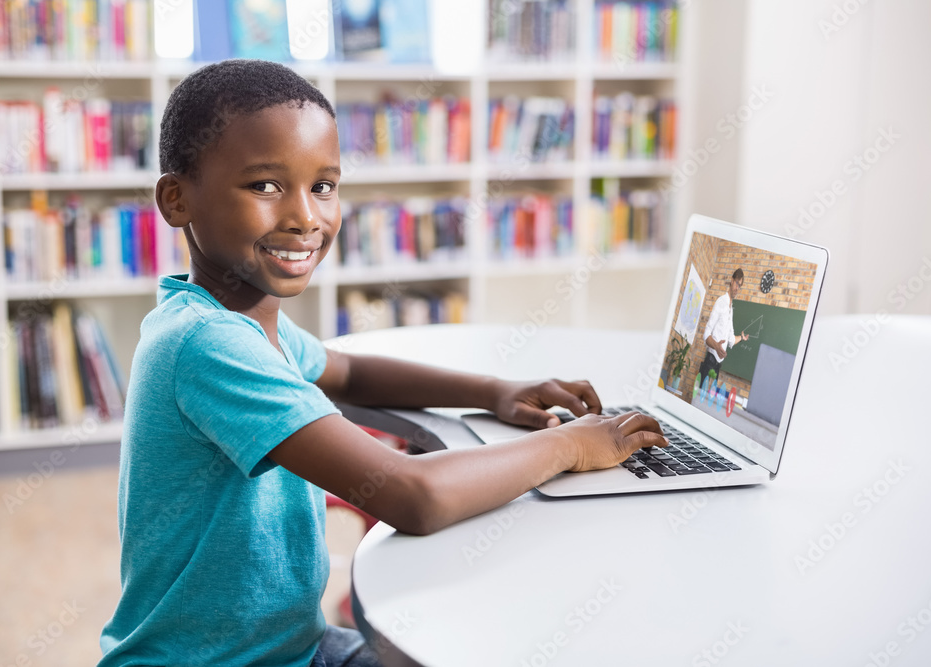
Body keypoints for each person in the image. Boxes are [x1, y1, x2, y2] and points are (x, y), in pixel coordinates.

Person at [98, 59, 668, 667]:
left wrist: (496, 389)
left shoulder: (245, 321)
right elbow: (409, 496)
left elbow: (349, 371)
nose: (305, 217)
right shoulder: (207, 344)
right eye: (265, 186)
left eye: (322, 186)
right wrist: (569, 447)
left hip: (290, 646)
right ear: (177, 199)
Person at [697, 268, 750, 385]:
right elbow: (706, 333)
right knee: (698, 399)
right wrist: (716, 346)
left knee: (707, 402)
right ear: (731, 281)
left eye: (740, 286)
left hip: (717, 366)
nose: (737, 288)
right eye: (737, 283)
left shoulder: (731, 309)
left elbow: (730, 339)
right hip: (710, 360)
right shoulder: (721, 302)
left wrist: (741, 338)